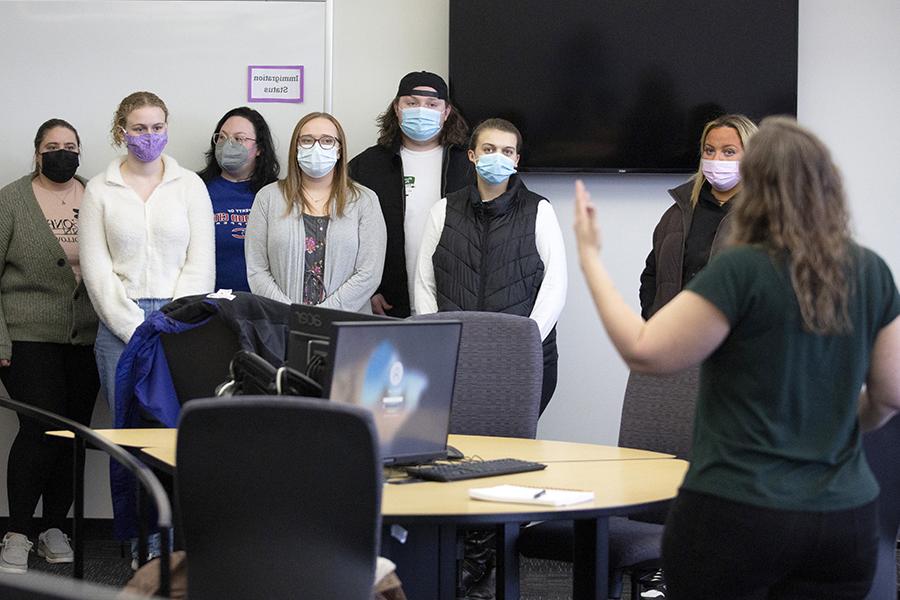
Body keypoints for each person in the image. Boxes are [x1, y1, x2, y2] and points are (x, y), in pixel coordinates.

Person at [574, 117, 900, 599]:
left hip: (737, 513)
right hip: (843, 520)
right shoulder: (870, 268)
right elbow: (891, 393)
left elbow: (644, 352)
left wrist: (590, 259)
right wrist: (840, 419)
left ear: (758, 184)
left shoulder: (742, 268)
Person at [0, 119, 101, 574]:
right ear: (37, 152)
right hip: (26, 336)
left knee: (71, 435)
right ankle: (17, 533)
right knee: (40, 429)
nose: (62, 153)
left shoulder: (97, 194)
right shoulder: (12, 200)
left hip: (86, 338)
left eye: (70, 146)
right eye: (52, 146)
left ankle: (54, 529)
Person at [415, 118, 567, 416]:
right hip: (455, 356)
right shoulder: (444, 209)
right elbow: (424, 282)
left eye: (507, 151)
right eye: (489, 148)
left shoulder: (540, 210)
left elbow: (555, 285)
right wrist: (436, 340)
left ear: (516, 160)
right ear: (472, 155)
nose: (498, 156)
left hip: (520, 358)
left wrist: (525, 343)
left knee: (512, 448)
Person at [80, 91, 215, 415]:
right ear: (121, 132)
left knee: (175, 431)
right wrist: (134, 329)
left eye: (157, 127)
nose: (149, 136)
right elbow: (96, 271)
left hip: (181, 323)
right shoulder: (99, 189)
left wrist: (173, 321)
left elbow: (201, 263)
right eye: (139, 128)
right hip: (118, 327)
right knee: (128, 433)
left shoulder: (190, 185)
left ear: (167, 129)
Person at [349, 71, 472, 317]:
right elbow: (349, 235)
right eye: (412, 103)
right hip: (390, 301)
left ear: (446, 112)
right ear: (397, 108)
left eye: (431, 104)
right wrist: (368, 290)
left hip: (456, 300)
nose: (421, 110)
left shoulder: (469, 164)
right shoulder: (367, 166)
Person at [245, 112, 386, 311]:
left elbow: (369, 273)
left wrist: (322, 316)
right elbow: (257, 269)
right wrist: (291, 314)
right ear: (296, 148)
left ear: (339, 150)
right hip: (280, 324)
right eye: (307, 140)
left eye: (327, 141)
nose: (317, 147)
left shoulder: (365, 201)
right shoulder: (267, 198)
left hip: (345, 326)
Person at [639, 114, 758, 319]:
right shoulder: (678, 212)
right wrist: (654, 318)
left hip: (733, 346)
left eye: (728, 152)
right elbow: (652, 275)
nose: (715, 159)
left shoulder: (765, 217)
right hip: (673, 339)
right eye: (709, 150)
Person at [198, 107, 280, 293]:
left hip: (262, 306)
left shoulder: (276, 194)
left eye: (239, 138)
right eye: (222, 137)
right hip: (205, 304)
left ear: (259, 148)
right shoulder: (196, 188)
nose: (228, 144)